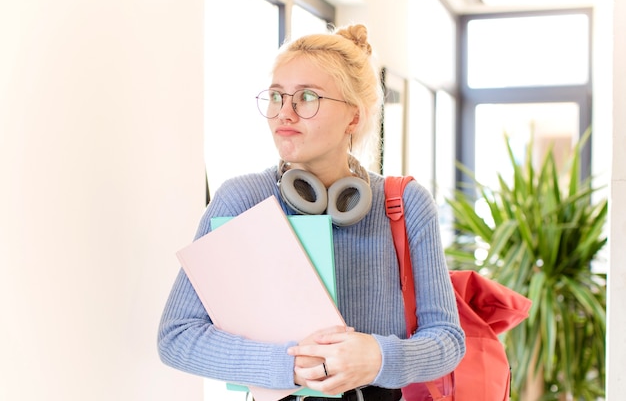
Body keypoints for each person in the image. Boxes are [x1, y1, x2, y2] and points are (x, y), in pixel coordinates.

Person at [158, 23, 465, 401]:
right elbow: (177, 336)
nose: (284, 113)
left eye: (306, 97)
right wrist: (289, 364)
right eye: (276, 96)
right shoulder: (242, 198)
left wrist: (377, 357)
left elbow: (448, 340)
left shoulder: (405, 203)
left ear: (353, 117)